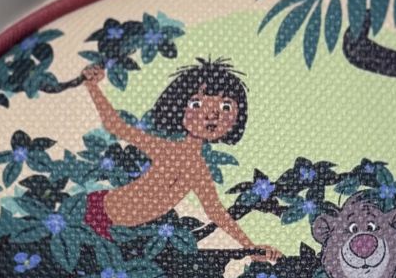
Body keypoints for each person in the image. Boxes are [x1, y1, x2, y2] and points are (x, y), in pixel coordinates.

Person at [82, 55, 280, 258]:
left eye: (225, 107)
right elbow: (116, 126)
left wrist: (251, 248)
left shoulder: (198, 171)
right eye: (197, 104)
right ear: (178, 107)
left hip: (118, 233)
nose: (212, 114)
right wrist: (92, 86)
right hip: (95, 210)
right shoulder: (167, 150)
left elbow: (216, 212)